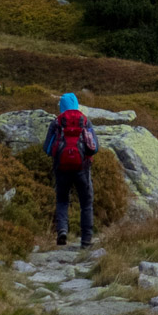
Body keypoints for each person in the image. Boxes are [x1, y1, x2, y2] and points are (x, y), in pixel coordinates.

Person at [42, 92, 99, 247]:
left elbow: (47, 148)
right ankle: (86, 241)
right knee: (86, 204)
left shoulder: (57, 122)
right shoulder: (85, 121)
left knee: (62, 201)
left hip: (61, 168)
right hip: (82, 168)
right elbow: (95, 148)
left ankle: (62, 231)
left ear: (61, 106)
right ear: (76, 105)